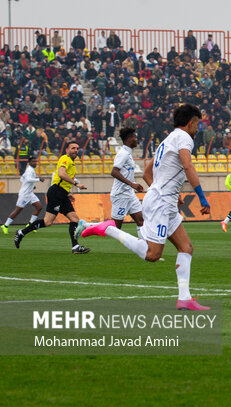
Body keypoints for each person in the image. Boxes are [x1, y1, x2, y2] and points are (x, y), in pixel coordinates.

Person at [77, 104, 211, 310]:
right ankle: (109, 229)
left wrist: (170, 193)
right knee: (152, 255)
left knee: (186, 247)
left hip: (163, 200)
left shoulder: (167, 140)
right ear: (191, 122)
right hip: (160, 203)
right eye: (197, 124)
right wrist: (201, 197)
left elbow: (147, 174)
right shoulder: (184, 138)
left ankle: (184, 298)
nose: (198, 129)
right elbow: (187, 166)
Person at [14, 142, 90, 254]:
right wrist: (76, 184)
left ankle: (75, 247)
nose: (75, 150)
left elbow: (61, 179)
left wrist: (68, 193)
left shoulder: (72, 163)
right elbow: (61, 174)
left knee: (75, 219)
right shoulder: (65, 159)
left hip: (62, 193)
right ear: (67, 150)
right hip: (56, 193)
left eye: (77, 148)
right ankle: (21, 232)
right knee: (48, 222)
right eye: (73, 148)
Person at [109, 127, 144, 231]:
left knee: (141, 221)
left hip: (129, 194)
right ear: (129, 138)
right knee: (115, 228)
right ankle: (87, 226)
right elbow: (114, 172)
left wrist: (132, 185)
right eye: (135, 137)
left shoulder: (128, 154)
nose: (136, 139)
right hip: (120, 195)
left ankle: (145, 247)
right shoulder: (123, 153)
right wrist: (132, 184)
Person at [1, 157, 45, 234]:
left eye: (36, 161)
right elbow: (28, 179)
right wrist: (38, 179)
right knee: (18, 210)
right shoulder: (29, 170)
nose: (35, 163)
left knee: (39, 207)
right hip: (24, 194)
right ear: (29, 162)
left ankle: (30, 224)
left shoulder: (30, 170)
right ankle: (5, 225)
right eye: (33, 161)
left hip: (30, 193)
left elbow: (22, 179)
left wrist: (31, 186)